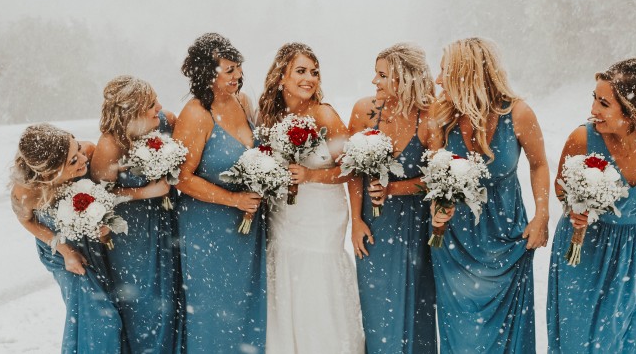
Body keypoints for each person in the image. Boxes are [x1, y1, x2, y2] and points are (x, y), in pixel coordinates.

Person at [547, 57, 636, 353]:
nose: (593, 111)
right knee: (578, 341)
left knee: (630, 341)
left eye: (604, 103)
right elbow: (561, 189)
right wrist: (573, 208)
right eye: (594, 99)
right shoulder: (582, 139)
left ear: (634, 112)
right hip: (585, 249)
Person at [430, 37, 549, 353]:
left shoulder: (519, 114)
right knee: (461, 337)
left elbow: (539, 165)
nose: (438, 79)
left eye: (444, 71)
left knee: (507, 336)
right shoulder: (443, 115)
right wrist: (437, 209)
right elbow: (436, 172)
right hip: (454, 243)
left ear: (465, 74)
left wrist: (542, 215)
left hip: (507, 238)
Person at [258, 42, 364, 354]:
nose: (310, 78)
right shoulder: (269, 118)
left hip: (321, 216)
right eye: (301, 71)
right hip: (284, 216)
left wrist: (310, 175)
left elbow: (351, 169)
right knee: (288, 283)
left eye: (314, 72)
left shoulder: (325, 115)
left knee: (317, 286)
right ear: (282, 77)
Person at [173, 33, 266, 352]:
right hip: (208, 231)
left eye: (238, 67)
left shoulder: (241, 102)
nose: (238, 75)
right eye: (229, 69)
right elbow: (181, 178)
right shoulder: (196, 114)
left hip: (247, 227)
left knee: (247, 307)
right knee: (213, 313)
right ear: (205, 73)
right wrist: (233, 199)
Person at [348, 43, 439, 353]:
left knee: (416, 307)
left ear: (405, 79)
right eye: (376, 74)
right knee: (377, 313)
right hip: (373, 227)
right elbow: (352, 171)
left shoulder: (429, 118)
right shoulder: (364, 111)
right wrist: (356, 220)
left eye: (383, 75)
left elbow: (437, 180)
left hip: (414, 225)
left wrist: (394, 189)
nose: (375, 81)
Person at [9, 124, 127, 353]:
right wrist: (66, 251)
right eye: (73, 161)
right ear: (49, 173)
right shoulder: (26, 192)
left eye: (78, 149)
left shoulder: (89, 152)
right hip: (60, 253)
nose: (83, 158)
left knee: (115, 308)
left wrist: (103, 227)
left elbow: (107, 193)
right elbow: (27, 221)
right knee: (100, 317)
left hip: (93, 245)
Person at [90, 75, 182, 354]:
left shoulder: (166, 122)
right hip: (131, 236)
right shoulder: (110, 145)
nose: (160, 106)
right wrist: (144, 192)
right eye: (151, 103)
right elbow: (101, 197)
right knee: (141, 303)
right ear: (131, 111)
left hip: (167, 222)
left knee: (173, 297)